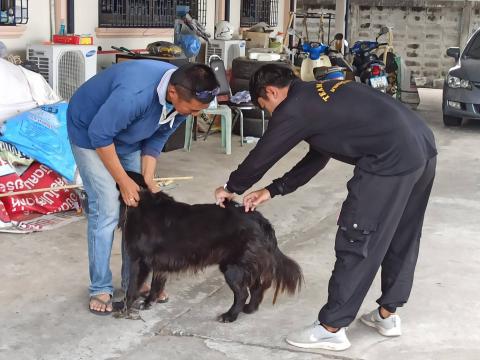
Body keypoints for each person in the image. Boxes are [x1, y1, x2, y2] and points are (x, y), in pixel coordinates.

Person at [215, 64, 436, 351]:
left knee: (357, 236)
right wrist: (272, 190)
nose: (271, 114)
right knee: (402, 234)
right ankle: (388, 315)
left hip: (388, 160)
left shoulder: (293, 108)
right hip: (422, 148)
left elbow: (263, 154)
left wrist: (231, 188)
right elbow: (319, 155)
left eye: (265, 106)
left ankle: (332, 327)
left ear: (270, 92)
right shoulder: (320, 96)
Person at [68, 61, 219, 315]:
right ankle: (100, 288)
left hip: (128, 136)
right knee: (106, 208)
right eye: (193, 110)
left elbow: (158, 136)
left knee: (137, 208)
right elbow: (100, 135)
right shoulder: (134, 94)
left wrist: (147, 178)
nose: (194, 115)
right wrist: (124, 182)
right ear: (172, 93)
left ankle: (133, 283)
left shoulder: (182, 100)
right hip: (90, 132)